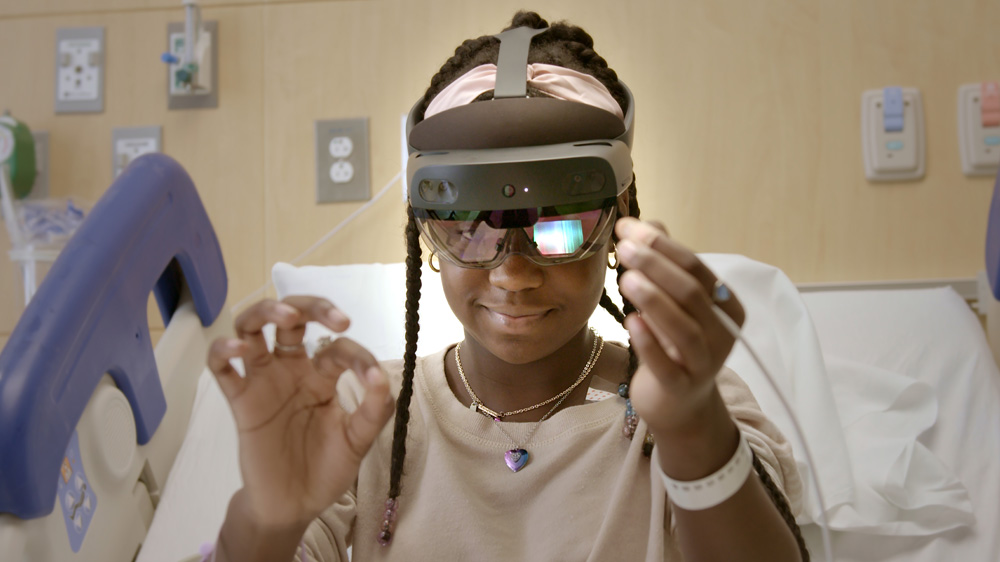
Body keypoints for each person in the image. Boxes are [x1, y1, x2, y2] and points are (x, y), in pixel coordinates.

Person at [205, 11, 807, 562]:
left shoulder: (689, 394)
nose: (512, 274)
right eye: (470, 227)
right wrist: (266, 521)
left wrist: (693, 426)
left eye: (558, 224)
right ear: (425, 230)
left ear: (619, 216)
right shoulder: (360, 415)